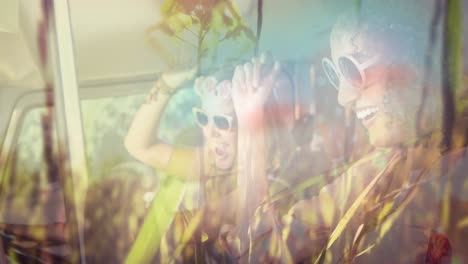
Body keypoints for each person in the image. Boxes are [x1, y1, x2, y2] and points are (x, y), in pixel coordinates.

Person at [225, 9, 468, 263]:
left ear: (419, 61)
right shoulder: (374, 172)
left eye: (352, 68)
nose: (344, 98)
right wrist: (250, 128)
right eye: (337, 75)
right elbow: (264, 252)